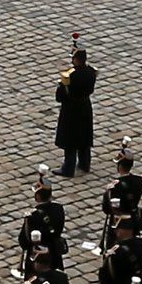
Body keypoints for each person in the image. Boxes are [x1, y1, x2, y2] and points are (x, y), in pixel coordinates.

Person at [54, 33, 99, 179]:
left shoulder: (71, 76)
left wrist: (62, 87)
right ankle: (85, 164)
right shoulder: (91, 72)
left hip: (71, 109)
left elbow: (60, 97)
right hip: (85, 106)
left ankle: (68, 168)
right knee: (84, 137)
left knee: (71, 140)